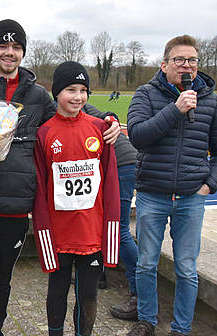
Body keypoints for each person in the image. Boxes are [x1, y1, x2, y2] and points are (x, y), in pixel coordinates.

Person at [0, 20, 120, 336]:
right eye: (3, 46)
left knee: (1, 281)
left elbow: (70, 111)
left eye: (16, 47)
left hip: (14, 207)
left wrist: (108, 119)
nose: (9, 53)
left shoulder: (38, 96)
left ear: (23, 52)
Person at [126, 35, 217, 336]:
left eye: (192, 60)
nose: (187, 65)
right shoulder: (145, 94)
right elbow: (138, 136)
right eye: (180, 60)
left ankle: (181, 328)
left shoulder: (212, 102)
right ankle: (147, 320)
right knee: (147, 262)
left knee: (186, 267)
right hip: (152, 195)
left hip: (191, 198)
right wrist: (175, 109)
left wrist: (209, 184)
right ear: (165, 64)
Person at [32, 61, 120, 336]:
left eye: (83, 90)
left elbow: (111, 187)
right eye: (71, 89)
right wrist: (44, 238)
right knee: (56, 294)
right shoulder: (44, 133)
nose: (78, 96)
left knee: (89, 297)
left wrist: (110, 239)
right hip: (59, 235)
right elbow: (39, 191)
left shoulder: (100, 129)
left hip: (91, 235)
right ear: (56, 92)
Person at [84, 104, 139, 319]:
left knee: (118, 229)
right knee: (99, 221)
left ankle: (140, 294)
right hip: (114, 163)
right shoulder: (72, 107)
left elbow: (109, 117)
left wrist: (113, 119)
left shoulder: (80, 108)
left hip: (121, 163)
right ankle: (99, 275)